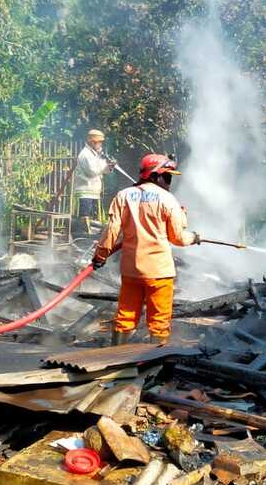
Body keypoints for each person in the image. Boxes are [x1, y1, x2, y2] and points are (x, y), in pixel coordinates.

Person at [91, 153, 200, 345]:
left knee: (125, 318)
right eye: (167, 177)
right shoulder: (168, 200)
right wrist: (194, 237)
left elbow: (111, 231)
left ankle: (114, 358)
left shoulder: (124, 196)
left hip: (131, 270)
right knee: (159, 322)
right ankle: (154, 363)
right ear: (155, 176)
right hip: (159, 272)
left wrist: (100, 256)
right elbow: (179, 239)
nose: (169, 181)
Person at [73, 129, 114, 231]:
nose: (100, 144)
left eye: (101, 142)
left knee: (94, 221)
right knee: (84, 220)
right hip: (85, 192)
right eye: (99, 142)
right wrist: (105, 164)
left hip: (94, 192)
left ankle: (92, 239)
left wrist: (110, 166)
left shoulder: (95, 154)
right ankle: (81, 240)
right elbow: (92, 171)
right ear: (92, 142)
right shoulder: (85, 154)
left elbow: (103, 171)